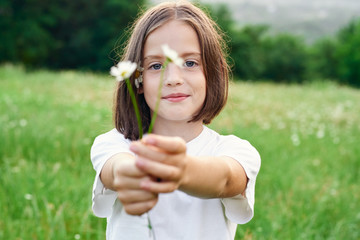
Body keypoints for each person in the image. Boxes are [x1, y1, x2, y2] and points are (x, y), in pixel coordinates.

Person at [90, 1, 261, 240]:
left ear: (213, 74)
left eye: (190, 63)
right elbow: (117, 170)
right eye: (156, 65)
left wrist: (179, 170)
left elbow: (224, 180)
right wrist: (134, 173)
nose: (173, 78)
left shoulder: (235, 150)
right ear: (137, 80)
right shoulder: (114, 144)